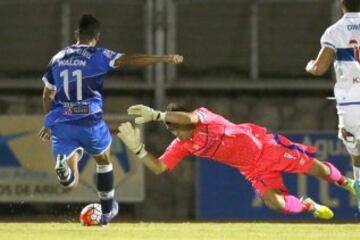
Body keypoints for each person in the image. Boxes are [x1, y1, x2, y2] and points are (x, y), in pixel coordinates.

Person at [38, 14, 183, 225]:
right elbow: (131, 60)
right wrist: (164, 58)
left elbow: (47, 95)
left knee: (71, 182)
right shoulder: (99, 55)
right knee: (104, 160)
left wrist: (48, 123)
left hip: (62, 122)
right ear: (96, 36)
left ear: (76, 34)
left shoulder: (58, 58)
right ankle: (106, 212)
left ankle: (64, 173)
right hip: (90, 121)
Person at [117, 104, 356, 219]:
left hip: (267, 148)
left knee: (317, 168)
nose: (177, 134)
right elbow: (159, 167)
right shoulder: (182, 145)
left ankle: (348, 183)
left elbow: (188, 116)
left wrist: (158, 115)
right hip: (252, 169)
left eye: (178, 129)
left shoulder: (203, 116)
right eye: (173, 132)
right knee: (276, 204)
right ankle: (309, 206)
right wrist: (137, 148)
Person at [305, 0, 360, 211]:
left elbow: (319, 68)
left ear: (341, 5)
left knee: (357, 153)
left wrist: (310, 66)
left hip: (351, 101)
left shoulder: (335, 31)